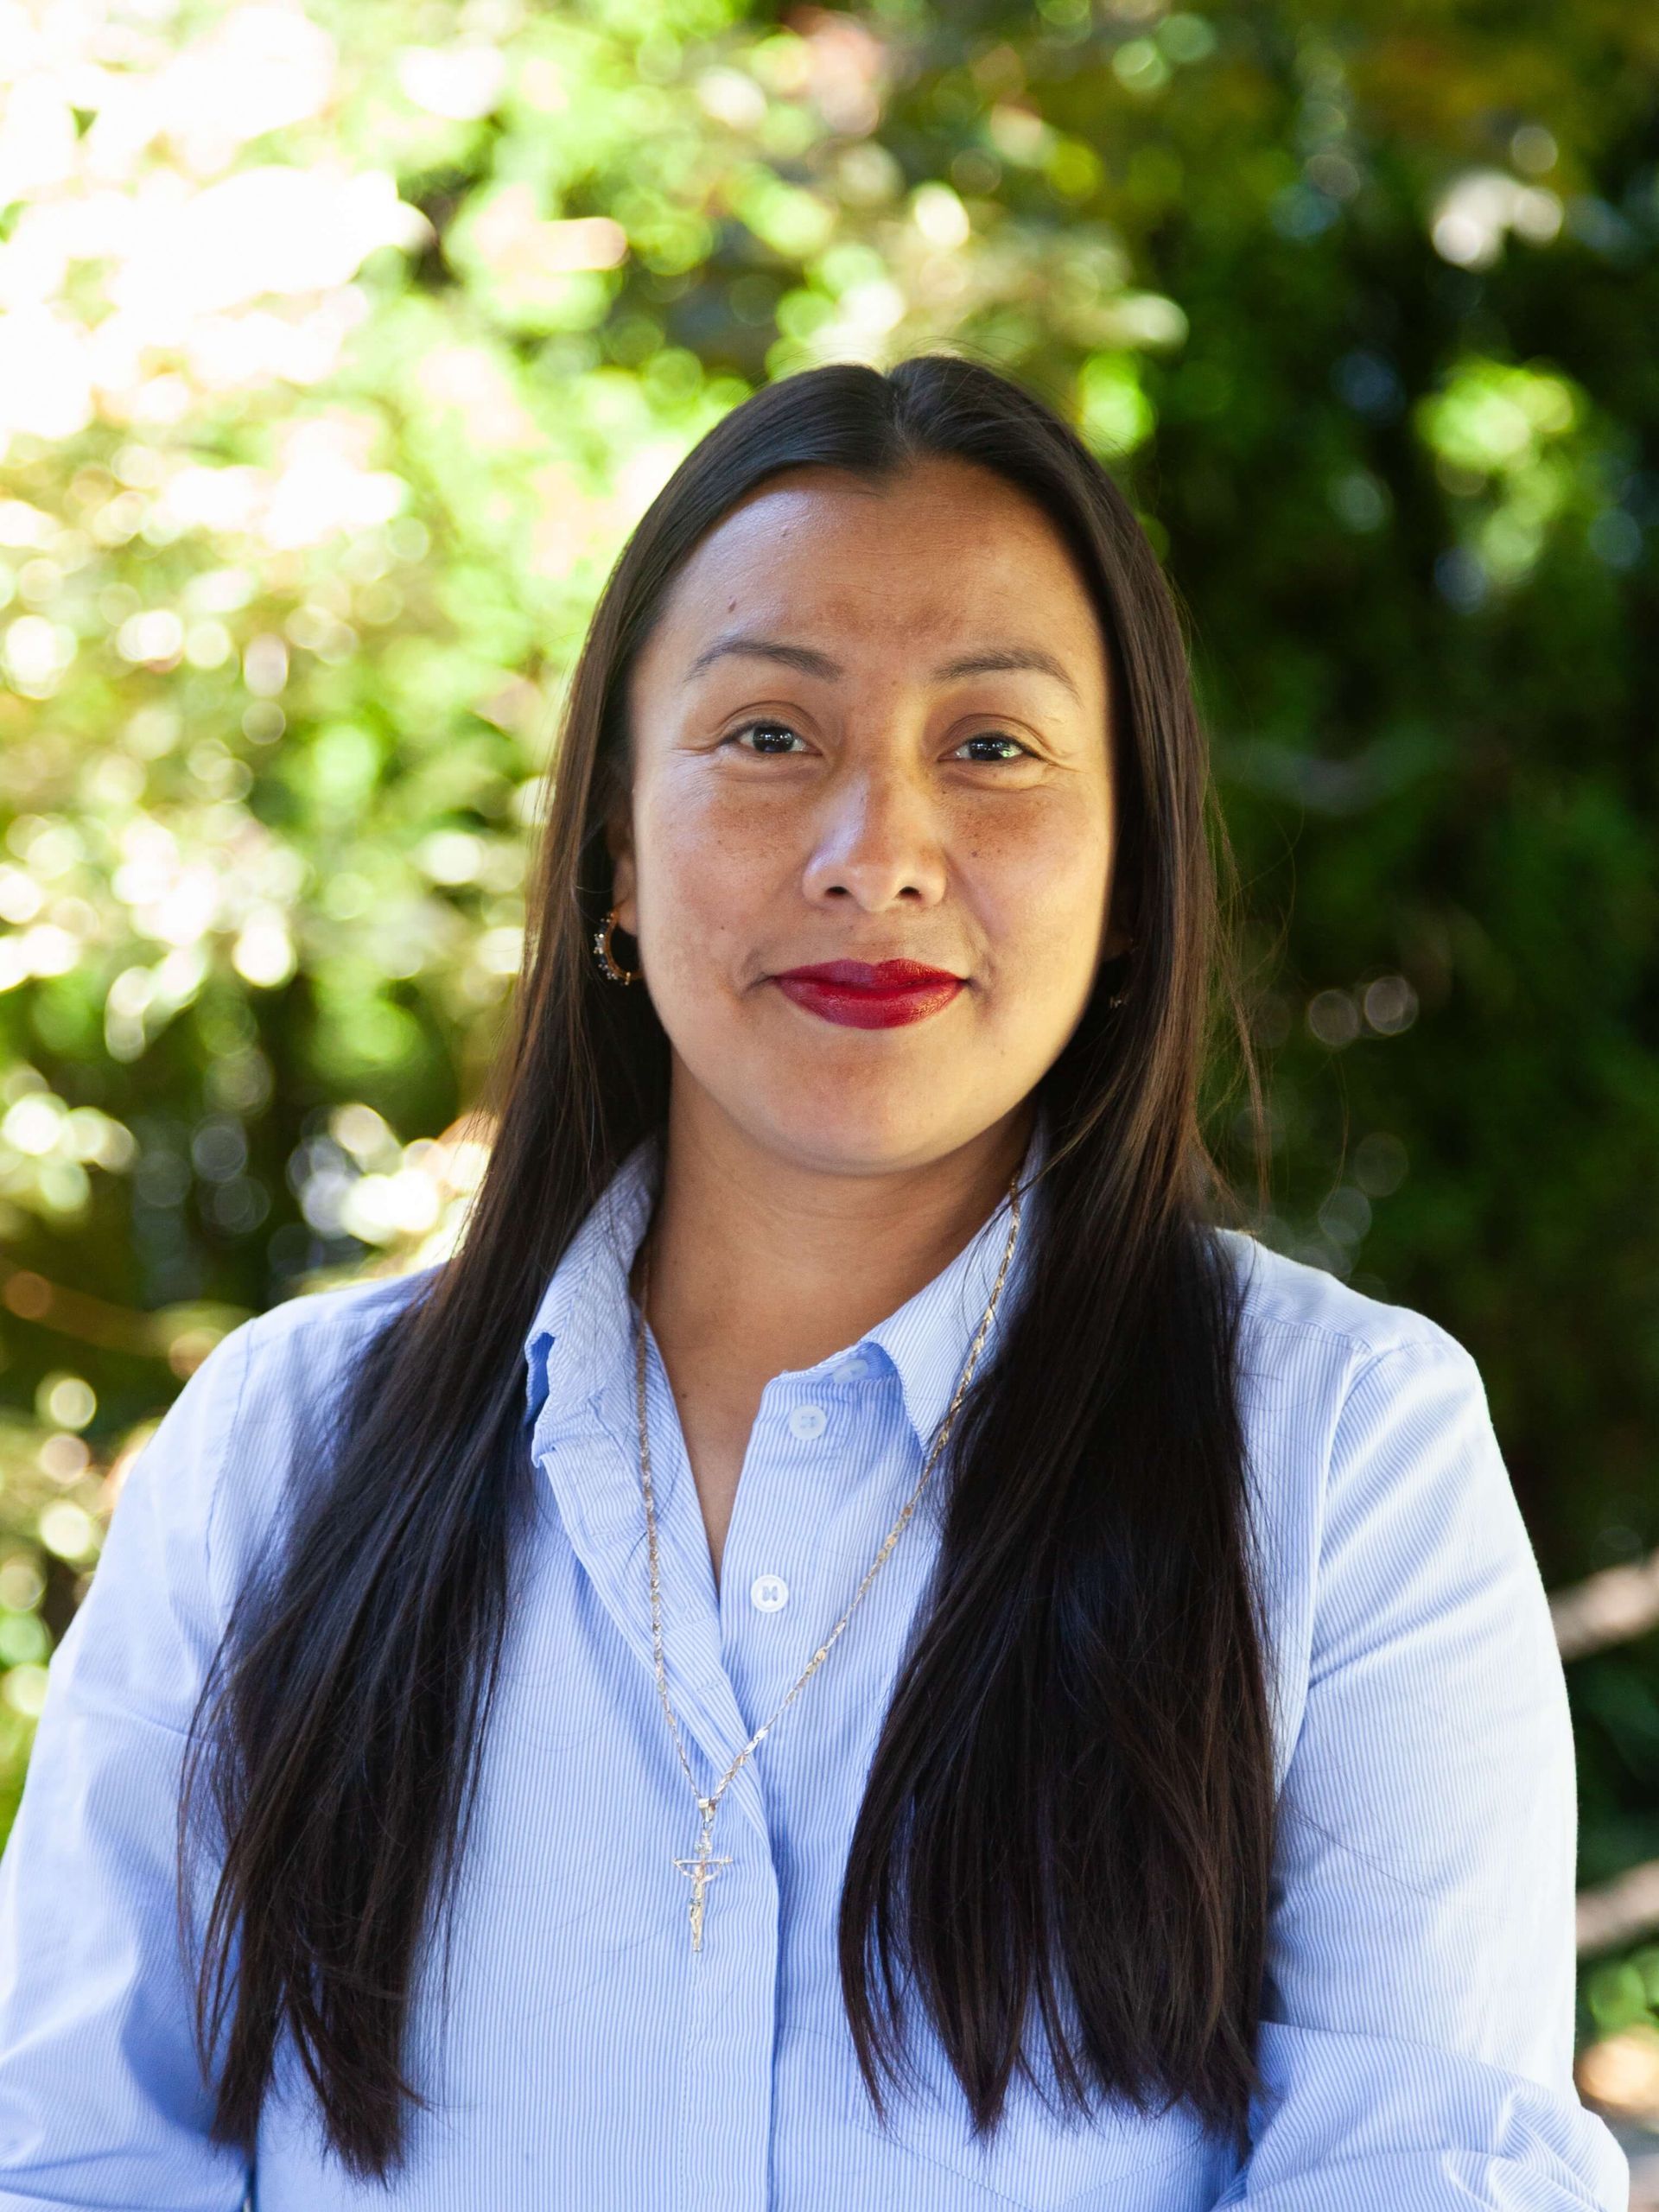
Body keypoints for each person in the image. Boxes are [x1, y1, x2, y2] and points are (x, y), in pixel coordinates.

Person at [0, 353, 1628, 2212]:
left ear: (1132, 872)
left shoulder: (1341, 1452)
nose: (881, 857)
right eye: (769, 735)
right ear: (614, 850)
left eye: (993, 747)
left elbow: (1423, 2170)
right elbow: (72, 2163)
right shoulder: (278, 1456)